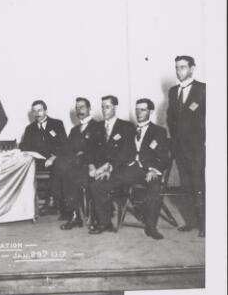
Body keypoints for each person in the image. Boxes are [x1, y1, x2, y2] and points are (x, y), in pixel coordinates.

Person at [90, 99, 170, 239]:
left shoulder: (158, 131)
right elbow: (122, 154)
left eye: (143, 110)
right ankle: (105, 223)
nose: (139, 113)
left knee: (155, 187)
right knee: (97, 185)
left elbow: (164, 157)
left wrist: (154, 170)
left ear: (151, 111)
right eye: (137, 109)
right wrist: (110, 167)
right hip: (129, 170)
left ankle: (151, 227)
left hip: (148, 171)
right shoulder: (130, 130)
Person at [167, 55, 206, 237]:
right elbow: (170, 118)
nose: (179, 71)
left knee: (198, 185)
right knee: (186, 186)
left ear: (192, 68)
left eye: (182, 67)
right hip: (179, 149)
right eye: (177, 67)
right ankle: (191, 222)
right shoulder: (173, 91)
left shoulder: (203, 89)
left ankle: (205, 224)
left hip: (197, 148)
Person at [87, 95, 135, 234]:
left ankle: (104, 223)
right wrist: (91, 166)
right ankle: (97, 217)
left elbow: (127, 152)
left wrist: (108, 166)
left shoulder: (126, 127)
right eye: (102, 107)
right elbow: (89, 149)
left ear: (115, 107)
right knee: (85, 179)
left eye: (107, 107)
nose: (104, 110)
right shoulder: (96, 126)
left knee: (97, 186)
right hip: (98, 169)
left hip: (118, 170)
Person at [51, 98, 101, 230]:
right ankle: (74, 215)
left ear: (89, 108)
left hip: (92, 167)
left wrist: (81, 154)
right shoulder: (74, 130)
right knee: (65, 171)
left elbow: (98, 150)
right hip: (75, 166)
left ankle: (66, 209)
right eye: (77, 108)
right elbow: (67, 149)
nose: (79, 111)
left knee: (68, 173)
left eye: (82, 107)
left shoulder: (98, 127)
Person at [19, 100, 68, 212]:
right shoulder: (29, 128)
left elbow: (64, 145)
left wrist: (53, 157)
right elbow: (25, 147)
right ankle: (26, 205)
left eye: (39, 110)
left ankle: (51, 200)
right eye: (34, 111)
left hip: (54, 159)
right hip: (37, 161)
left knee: (58, 166)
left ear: (45, 110)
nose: (37, 113)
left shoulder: (57, 124)